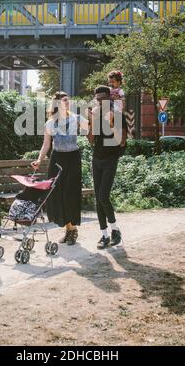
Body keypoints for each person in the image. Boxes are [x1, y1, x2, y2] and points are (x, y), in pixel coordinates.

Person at [32, 92, 88, 245]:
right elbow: (46, 145)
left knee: (71, 194)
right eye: (64, 101)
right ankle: (68, 230)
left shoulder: (76, 118)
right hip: (57, 160)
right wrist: (39, 160)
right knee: (58, 194)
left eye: (68, 100)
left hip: (73, 158)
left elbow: (90, 128)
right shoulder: (50, 123)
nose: (68, 102)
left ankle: (72, 229)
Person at [88, 86, 127, 250]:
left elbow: (122, 141)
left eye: (102, 98)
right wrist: (91, 122)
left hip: (111, 159)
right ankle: (104, 235)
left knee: (103, 196)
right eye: (97, 99)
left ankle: (115, 230)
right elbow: (90, 140)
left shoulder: (117, 114)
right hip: (97, 159)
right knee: (98, 198)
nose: (99, 101)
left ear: (109, 98)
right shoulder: (96, 115)